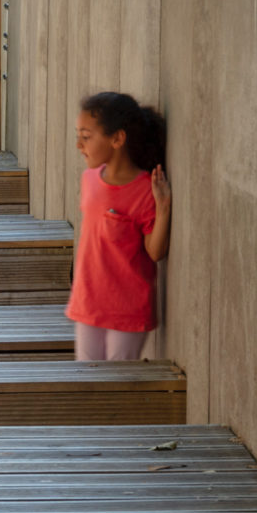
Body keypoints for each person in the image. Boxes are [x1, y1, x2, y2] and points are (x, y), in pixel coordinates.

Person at [64, 91, 172, 361]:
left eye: (86, 136)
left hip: (128, 309)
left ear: (117, 139)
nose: (79, 144)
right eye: (78, 135)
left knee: (117, 390)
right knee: (85, 385)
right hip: (87, 302)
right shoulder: (89, 179)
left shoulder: (144, 188)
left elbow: (155, 252)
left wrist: (163, 208)